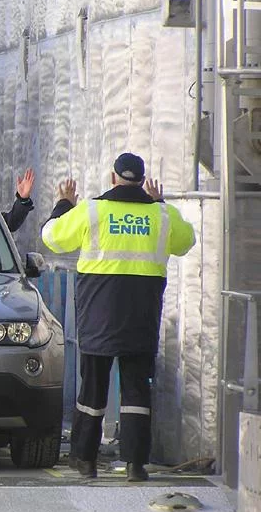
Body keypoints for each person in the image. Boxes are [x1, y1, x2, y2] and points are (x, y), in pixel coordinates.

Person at [41, 152, 196, 482]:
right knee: (137, 391)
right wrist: (162, 203)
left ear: (113, 178)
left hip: (99, 312)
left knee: (93, 390)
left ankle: (85, 459)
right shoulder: (162, 215)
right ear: (143, 181)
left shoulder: (93, 210)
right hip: (142, 314)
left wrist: (64, 203)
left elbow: (52, 238)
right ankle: (135, 465)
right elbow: (186, 243)